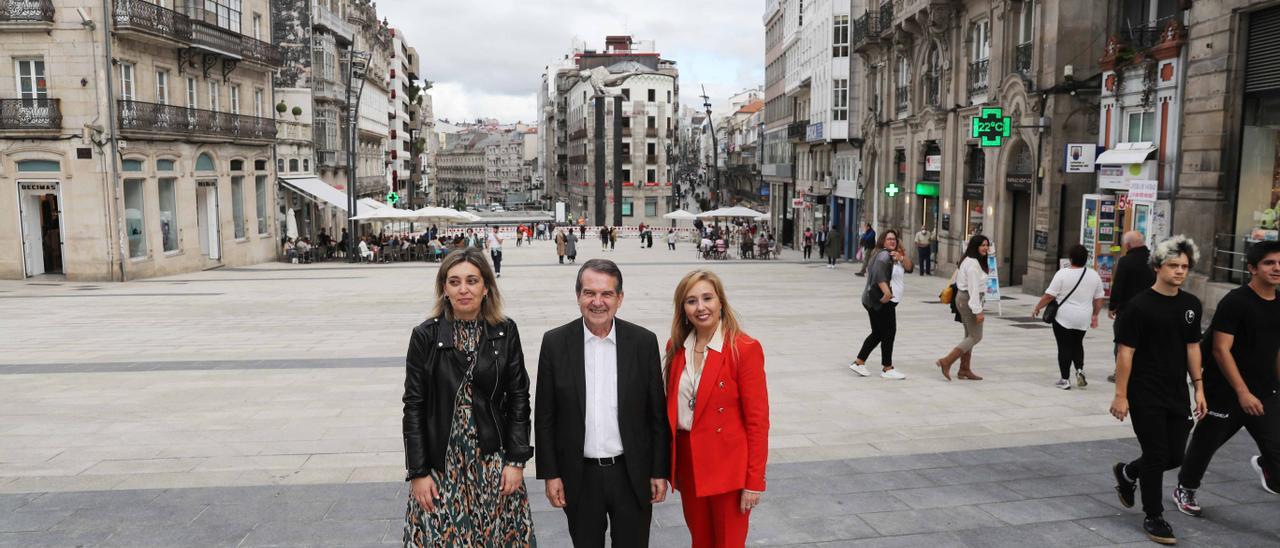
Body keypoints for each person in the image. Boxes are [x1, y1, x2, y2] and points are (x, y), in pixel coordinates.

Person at [401, 248, 536, 546]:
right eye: (454, 282)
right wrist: (418, 472)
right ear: (444, 289)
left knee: (495, 538)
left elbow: (518, 399)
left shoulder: (505, 331)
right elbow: (414, 407)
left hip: (493, 462)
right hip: (441, 464)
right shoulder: (425, 336)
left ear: (486, 287)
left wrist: (516, 460)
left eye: (472, 281)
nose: (464, 289)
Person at [534, 259, 670, 548]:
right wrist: (551, 474)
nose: (598, 302)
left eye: (606, 294)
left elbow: (656, 414)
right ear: (578, 296)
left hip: (631, 474)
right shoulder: (555, 343)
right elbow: (545, 416)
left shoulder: (643, 342)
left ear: (619, 298)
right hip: (579, 477)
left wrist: (660, 470)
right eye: (589, 293)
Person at [1109, 235, 1207, 545]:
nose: (1180, 271)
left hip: (1176, 390)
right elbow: (1126, 353)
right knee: (1155, 454)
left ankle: (1128, 473)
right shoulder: (1138, 307)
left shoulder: (1191, 305)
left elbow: (1193, 347)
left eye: (1185, 266)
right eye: (1174, 265)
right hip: (1144, 391)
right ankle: (1154, 515)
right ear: (1157, 267)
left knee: (1175, 454)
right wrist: (1121, 395)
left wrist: (1199, 388)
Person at [1173, 240, 1280, 517]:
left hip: (1265, 391)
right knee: (1206, 442)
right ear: (1252, 268)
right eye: (1269, 263)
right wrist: (1242, 392)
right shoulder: (1235, 301)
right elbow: (1221, 350)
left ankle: (1267, 465)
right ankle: (1185, 487)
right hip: (1225, 391)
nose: (1277, 268)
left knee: (1277, 448)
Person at [663, 270, 770, 547]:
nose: (701, 307)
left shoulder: (743, 348)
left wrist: (754, 481)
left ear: (720, 301)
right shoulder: (676, 348)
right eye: (691, 301)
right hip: (689, 462)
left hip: (728, 468)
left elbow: (758, 421)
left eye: (707, 298)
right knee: (700, 540)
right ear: (683, 309)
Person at [1032, 244, 1106, 390]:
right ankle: (1079, 370)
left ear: (1070, 258)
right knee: (1078, 344)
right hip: (1083, 317)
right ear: (1086, 259)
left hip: (1063, 317)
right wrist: (1095, 315)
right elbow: (1099, 299)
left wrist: (1037, 307)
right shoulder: (1093, 275)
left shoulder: (1062, 274)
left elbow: (1049, 295)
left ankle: (1065, 379)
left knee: (1064, 347)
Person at [850, 230, 911, 380]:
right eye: (889, 239)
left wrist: (901, 257)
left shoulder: (891, 255)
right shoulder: (884, 256)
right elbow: (879, 276)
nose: (892, 241)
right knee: (889, 332)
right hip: (882, 301)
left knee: (879, 333)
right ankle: (887, 368)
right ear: (883, 241)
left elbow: (909, 267)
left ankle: (859, 362)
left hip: (880, 301)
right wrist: (887, 293)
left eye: (894, 239)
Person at [936, 234, 990, 381]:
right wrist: (978, 311)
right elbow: (973, 290)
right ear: (975, 246)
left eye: (987, 245)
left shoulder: (970, 260)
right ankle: (946, 361)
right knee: (976, 336)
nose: (985, 248)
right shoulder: (973, 265)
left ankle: (964, 369)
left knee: (969, 335)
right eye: (982, 245)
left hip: (964, 299)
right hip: (969, 300)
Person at [1108, 231, 1157, 383]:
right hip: (1152, 308)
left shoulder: (1126, 261)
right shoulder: (1154, 260)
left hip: (1128, 309)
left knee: (1122, 341)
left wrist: (1113, 306)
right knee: (1148, 341)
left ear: (1128, 245)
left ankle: (1120, 373)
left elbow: (1118, 286)